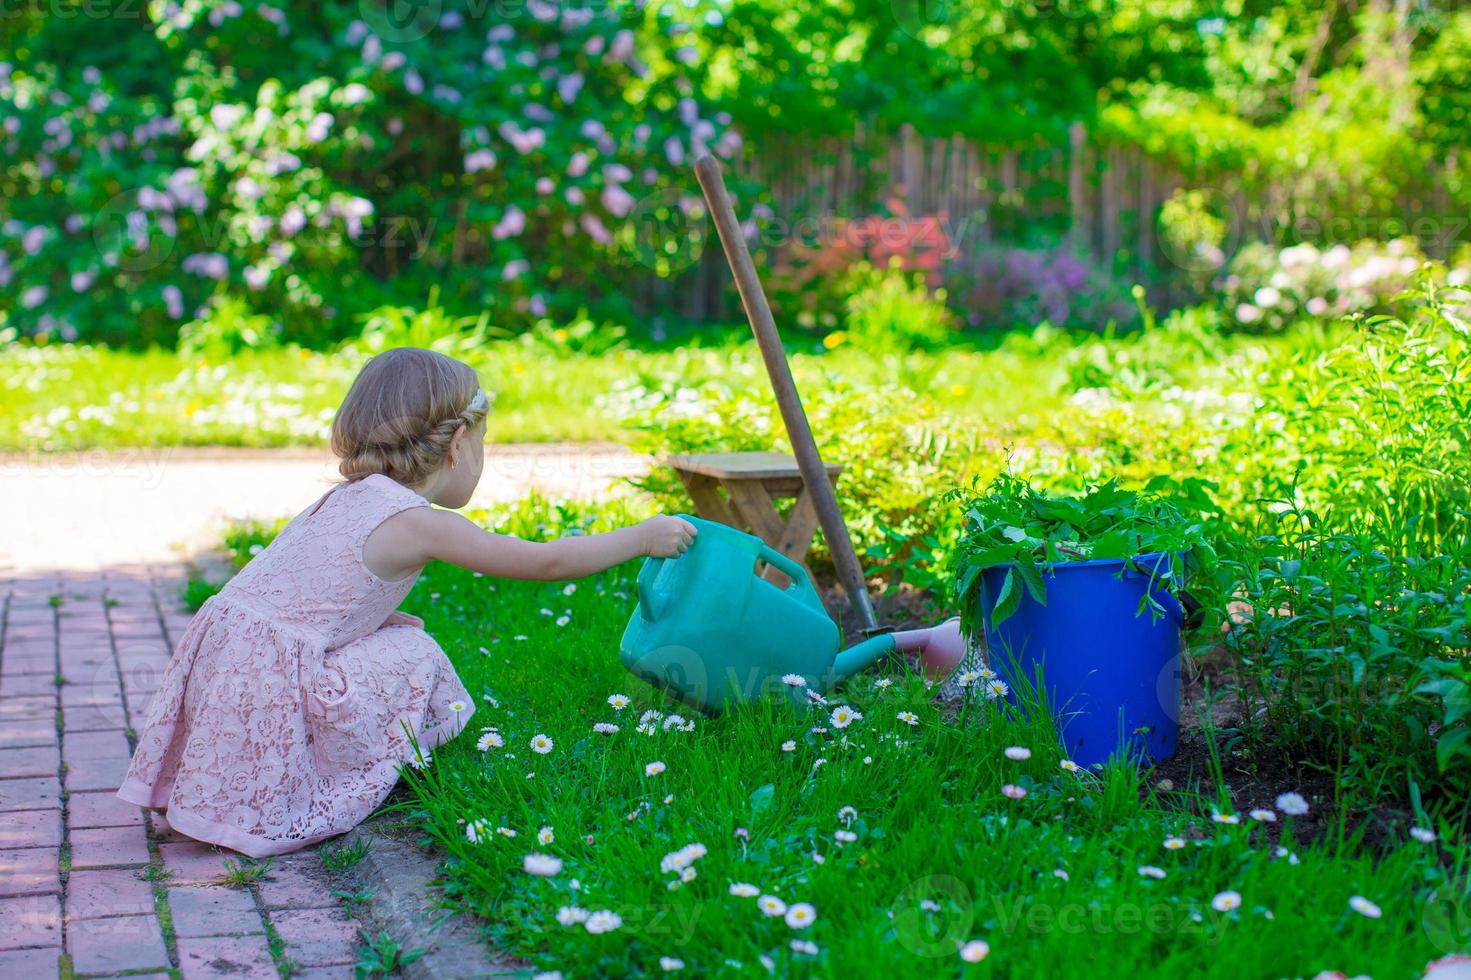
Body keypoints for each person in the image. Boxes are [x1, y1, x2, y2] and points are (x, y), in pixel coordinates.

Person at [118, 347, 696, 856]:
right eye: (484, 443)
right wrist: (642, 537)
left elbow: (301, 601)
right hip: (270, 684)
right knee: (414, 651)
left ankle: (218, 790)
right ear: (458, 443)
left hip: (225, 670)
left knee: (390, 633)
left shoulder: (343, 500)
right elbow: (542, 562)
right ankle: (324, 781)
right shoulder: (417, 521)